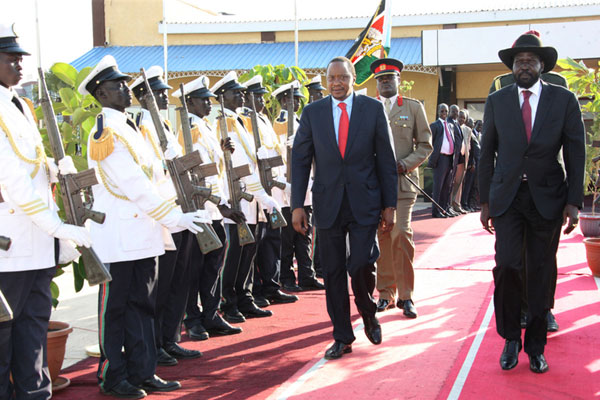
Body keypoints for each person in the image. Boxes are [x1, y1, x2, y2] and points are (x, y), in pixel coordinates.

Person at [80, 55, 208, 397]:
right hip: (120, 236)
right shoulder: (106, 131)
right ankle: (113, 374)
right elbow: (135, 185)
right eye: (116, 85)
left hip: (145, 232)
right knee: (116, 309)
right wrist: (175, 218)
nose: (125, 88)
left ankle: (143, 370)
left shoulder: (131, 126)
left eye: (123, 82)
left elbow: (155, 179)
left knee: (144, 305)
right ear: (100, 94)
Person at [479, 32, 584, 374]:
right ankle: (511, 338)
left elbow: (575, 151)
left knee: (540, 270)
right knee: (508, 265)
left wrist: (573, 201)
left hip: (547, 197)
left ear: (542, 65)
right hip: (507, 197)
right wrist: (484, 201)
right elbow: (486, 155)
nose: (524, 65)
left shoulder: (564, 100)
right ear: (512, 67)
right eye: (518, 61)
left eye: (530, 60)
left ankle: (536, 347)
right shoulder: (497, 101)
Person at [0, 24, 92, 400]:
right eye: (10, 58)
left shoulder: (18, 103)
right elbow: (12, 181)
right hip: (11, 244)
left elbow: (30, 165)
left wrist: (54, 170)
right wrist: (57, 226)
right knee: (4, 336)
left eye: (21, 58)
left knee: (33, 330)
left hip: (36, 243)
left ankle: (36, 394)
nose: (19, 64)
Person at [291, 56, 398, 360]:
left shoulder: (372, 109)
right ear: (326, 81)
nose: (336, 83)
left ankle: (367, 312)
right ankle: (342, 336)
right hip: (328, 204)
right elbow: (299, 161)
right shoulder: (312, 113)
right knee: (334, 272)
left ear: (354, 79)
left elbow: (387, 161)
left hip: (365, 201)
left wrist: (389, 205)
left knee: (361, 264)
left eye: (342, 78)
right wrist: (297, 205)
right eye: (331, 78)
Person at [129, 65, 202, 367]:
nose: (164, 97)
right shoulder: (142, 127)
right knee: (162, 285)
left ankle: (170, 338)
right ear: (143, 97)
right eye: (158, 93)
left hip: (179, 208)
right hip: (164, 214)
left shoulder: (165, 127)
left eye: (163, 92)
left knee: (179, 281)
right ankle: (157, 341)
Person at [173, 76, 244, 340]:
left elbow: (215, 171)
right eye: (203, 100)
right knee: (195, 268)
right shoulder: (188, 128)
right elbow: (192, 171)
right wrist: (220, 205)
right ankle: (192, 319)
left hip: (213, 207)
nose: (208, 104)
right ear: (189, 102)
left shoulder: (204, 127)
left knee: (213, 265)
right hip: (200, 207)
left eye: (209, 99)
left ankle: (211, 315)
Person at [212, 71, 279, 323]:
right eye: (235, 92)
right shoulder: (224, 124)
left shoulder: (240, 121)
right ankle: (228, 302)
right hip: (237, 199)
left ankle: (244, 297)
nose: (241, 95)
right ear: (222, 97)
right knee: (234, 257)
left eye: (240, 91)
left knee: (248, 253)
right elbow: (239, 166)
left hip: (250, 200)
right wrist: (261, 195)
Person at [369, 58, 432, 318]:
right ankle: (385, 293)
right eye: (381, 79)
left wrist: (405, 164)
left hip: (403, 184)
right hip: (374, 186)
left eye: (389, 78)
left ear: (398, 81)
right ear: (377, 83)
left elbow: (425, 145)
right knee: (382, 237)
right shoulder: (368, 109)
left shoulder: (413, 108)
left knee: (400, 234)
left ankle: (406, 296)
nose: (385, 83)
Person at [239, 75, 298, 305]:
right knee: (258, 242)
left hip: (272, 188)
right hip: (257, 190)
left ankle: (271, 286)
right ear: (247, 97)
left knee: (272, 239)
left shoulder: (262, 119)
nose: (262, 101)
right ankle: (256, 289)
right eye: (258, 97)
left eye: (263, 97)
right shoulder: (243, 120)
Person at [272, 81, 324, 292]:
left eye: (298, 99)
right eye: (292, 99)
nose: (295, 103)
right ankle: (286, 277)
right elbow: (273, 157)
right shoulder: (278, 124)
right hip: (285, 189)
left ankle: (306, 274)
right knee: (287, 238)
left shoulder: (299, 121)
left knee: (305, 234)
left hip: (304, 189)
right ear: (283, 100)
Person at [428, 104, 457, 218]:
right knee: (438, 187)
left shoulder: (450, 125)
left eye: (446, 111)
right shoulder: (434, 125)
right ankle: (436, 211)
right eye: (442, 111)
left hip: (450, 159)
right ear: (438, 112)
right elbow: (430, 142)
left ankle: (444, 209)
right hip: (440, 159)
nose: (444, 113)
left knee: (447, 186)